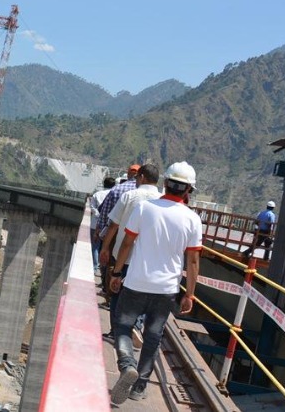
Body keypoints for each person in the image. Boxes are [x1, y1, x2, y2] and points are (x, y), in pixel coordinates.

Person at [109, 161, 202, 404]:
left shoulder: (144, 208)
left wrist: (117, 273)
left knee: (122, 327)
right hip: (167, 289)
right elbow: (192, 261)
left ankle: (127, 364)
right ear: (188, 190)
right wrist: (189, 294)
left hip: (137, 282)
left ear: (165, 183)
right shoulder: (192, 219)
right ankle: (139, 388)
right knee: (152, 337)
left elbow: (127, 243)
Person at [99, 164, 161, 343]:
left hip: (123, 255)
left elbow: (113, 225)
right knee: (140, 294)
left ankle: (115, 332)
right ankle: (134, 326)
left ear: (141, 177)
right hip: (146, 259)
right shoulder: (161, 199)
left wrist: (105, 247)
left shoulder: (129, 196)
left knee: (116, 291)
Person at [95, 164, 140, 286]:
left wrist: (102, 237)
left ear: (129, 173)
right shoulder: (154, 196)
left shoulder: (117, 189)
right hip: (138, 239)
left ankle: (108, 288)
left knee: (112, 265)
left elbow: (105, 214)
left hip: (115, 235)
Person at [89, 177, 116, 272]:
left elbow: (92, 206)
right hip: (109, 225)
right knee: (106, 245)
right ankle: (103, 266)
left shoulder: (97, 194)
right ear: (114, 185)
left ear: (104, 184)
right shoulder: (114, 195)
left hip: (95, 224)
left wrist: (98, 215)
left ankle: (95, 266)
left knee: (95, 246)